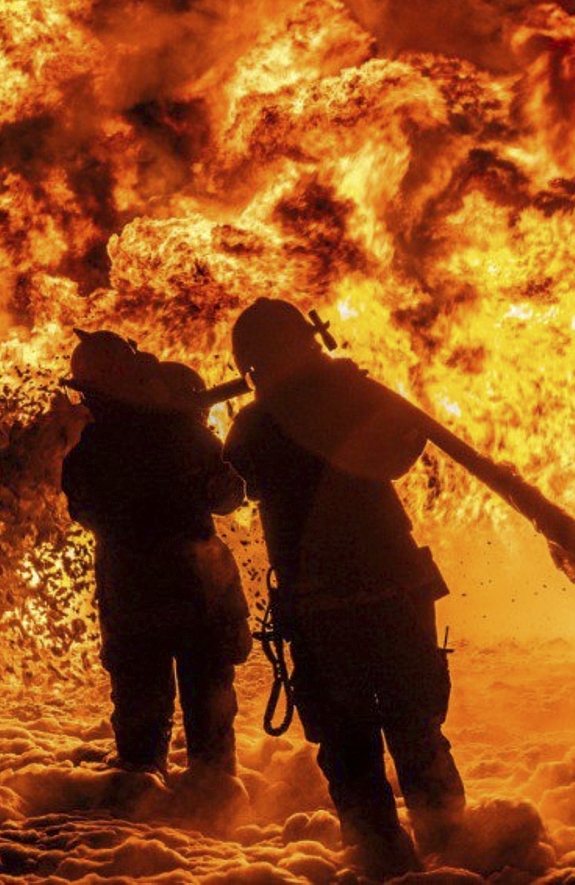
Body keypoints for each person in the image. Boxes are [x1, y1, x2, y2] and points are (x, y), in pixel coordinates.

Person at [224, 298, 466, 876]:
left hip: (325, 610)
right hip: (386, 598)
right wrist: (349, 391)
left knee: (355, 747)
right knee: (413, 732)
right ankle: (454, 855)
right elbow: (404, 451)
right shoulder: (344, 403)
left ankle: (387, 862)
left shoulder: (257, 424)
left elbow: (239, 468)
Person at [60, 330, 252, 783]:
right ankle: (206, 814)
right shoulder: (180, 434)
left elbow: (84, 510)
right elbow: (227, 496)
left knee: (145, 724)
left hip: (140, 598)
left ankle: (153, 812)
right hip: (191, 594)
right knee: (204, 717)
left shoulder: (97, 446)